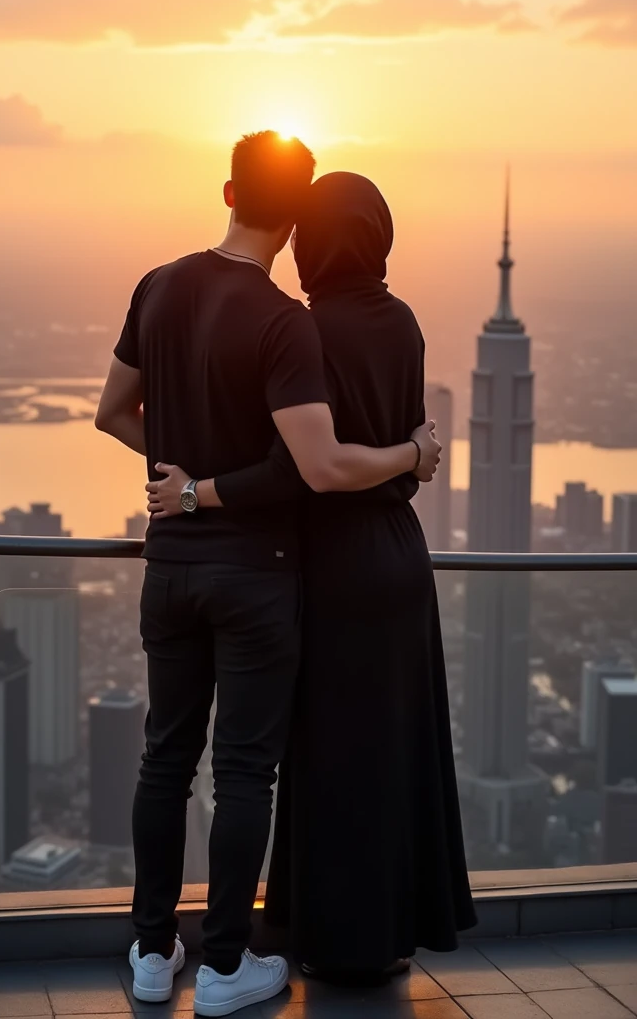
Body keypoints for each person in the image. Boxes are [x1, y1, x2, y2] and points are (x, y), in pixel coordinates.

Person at [95, 138, 442, 1016]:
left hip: (169, 567)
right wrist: (411, 454)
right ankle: (221, 971)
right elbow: (313, 468)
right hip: (255, 574)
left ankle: (147, 952)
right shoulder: (286, 319)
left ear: (226, 192)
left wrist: (179, 482)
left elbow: (112, 414)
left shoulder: (157, 284)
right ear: (293, 224)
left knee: (162, 760)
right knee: (246, 772)